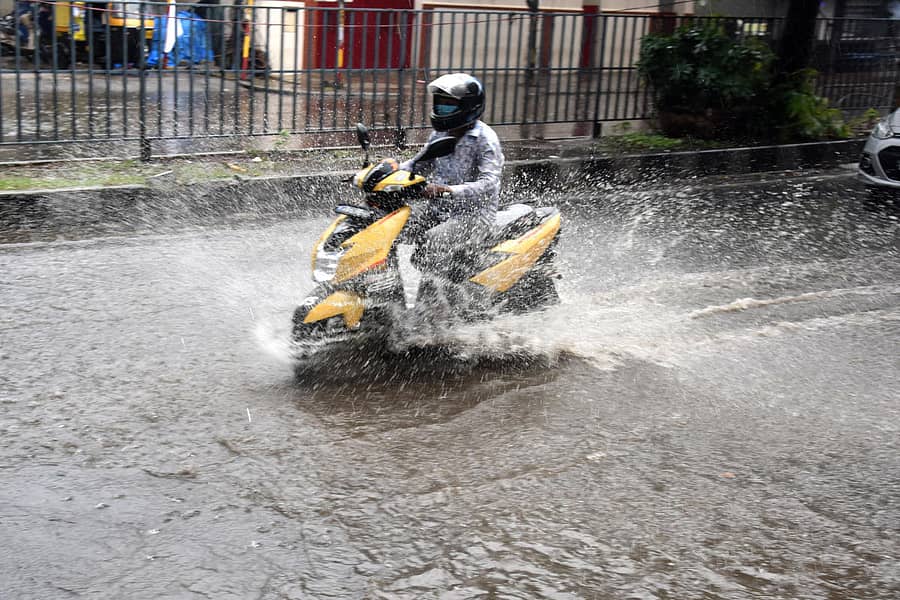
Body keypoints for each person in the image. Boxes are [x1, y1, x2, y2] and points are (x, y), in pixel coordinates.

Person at [408, 73, 505, 280]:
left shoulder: (485, 140)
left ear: (468, 107)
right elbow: (419, 164)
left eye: (449, 105)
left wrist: (450, 190)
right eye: (440, 104)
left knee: (432, 240)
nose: (442, 109)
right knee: (396, 228)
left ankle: (441, 298)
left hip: (474, 215)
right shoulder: (441, 134)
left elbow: (489, 182)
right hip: (439, 210)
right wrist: (385, 171)